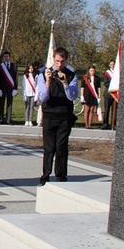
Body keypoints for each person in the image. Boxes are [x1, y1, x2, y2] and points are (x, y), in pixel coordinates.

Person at [36, 46, 78, 186]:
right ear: (53, 59)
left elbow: (72, 96)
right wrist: (48, 82)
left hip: (64, 116)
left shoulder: (71, 76)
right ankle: (45, 176)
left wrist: (65, 83)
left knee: (61, 147)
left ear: (66, 61)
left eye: (62, 61)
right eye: (57, 61)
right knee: (49, 148)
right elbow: (42, 97)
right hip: (49, 115)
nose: (59, 65)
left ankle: (61, 176)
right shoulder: (43, 75)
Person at [0, 51, 18, 124]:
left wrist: (15, 89)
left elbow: (15, 78)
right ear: (3, 58)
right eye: (5, 56)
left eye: (7, 56)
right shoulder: (1, 66)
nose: (6, 58)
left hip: (10, 88)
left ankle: (8, 119)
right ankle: (1, 119)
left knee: (9, 104)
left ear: (10, 57)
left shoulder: (14, 66)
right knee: (1, 104)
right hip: (2, 88)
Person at [102, 60, 115, 130]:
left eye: (113, 64)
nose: (112, 65)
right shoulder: (107, 73)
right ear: (109, 65)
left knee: (114, 110)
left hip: (115, 94)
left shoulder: (117, 73)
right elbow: (106, 83)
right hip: (108, 93)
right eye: (111, 64)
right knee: (107, 110)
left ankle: (113, 124)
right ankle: (105, 124)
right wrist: (113, 84)